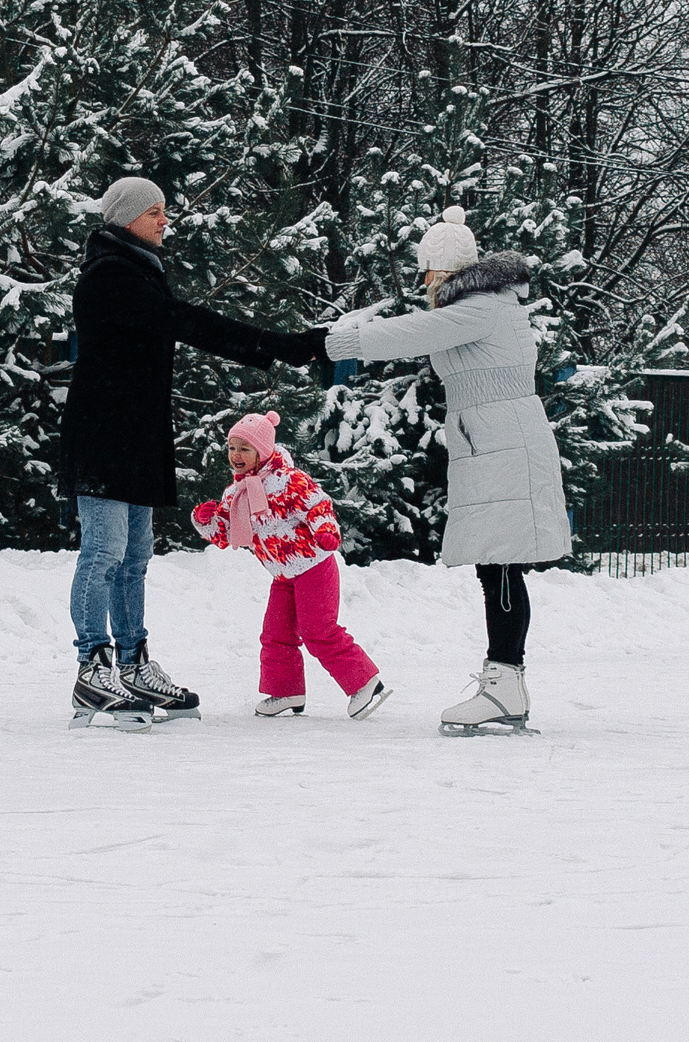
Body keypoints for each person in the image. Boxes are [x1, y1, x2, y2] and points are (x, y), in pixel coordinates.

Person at [59, 177, 325, 728]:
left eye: (164, 210)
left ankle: (131, 664)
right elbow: (186, 322)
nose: (164, 220)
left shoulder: (139, 271)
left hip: (136, 436)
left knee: (133, 560)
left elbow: (174, 322)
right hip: (104, 434)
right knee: (104, 553)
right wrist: (276, 346)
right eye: (153, 211)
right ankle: (92, 667)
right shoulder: (110, 275)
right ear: (124, 219)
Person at [319, 206, 570, 737]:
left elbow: (412, 333)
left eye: (428, 271)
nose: (425, 282)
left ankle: (505, 686)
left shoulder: (481, 307)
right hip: (490, 442)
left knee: (500, 563)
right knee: (494, 564)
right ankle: (504, 685)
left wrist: (333, 343)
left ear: (446, 269)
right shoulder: (479, 308)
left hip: (505, 444)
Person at [192, 410, 389, 721]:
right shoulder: (235, 493)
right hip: (282, 575)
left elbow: (317, 504)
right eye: (232, 447)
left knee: (318, 631)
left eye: (245, 448)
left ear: (264, 449)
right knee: (275, 634)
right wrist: (206, 521)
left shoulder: (287, 480)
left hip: (314, 565)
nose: (236, 455)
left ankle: (365, 682)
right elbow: (227, 535)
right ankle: (286, 691)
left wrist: (325, 529)